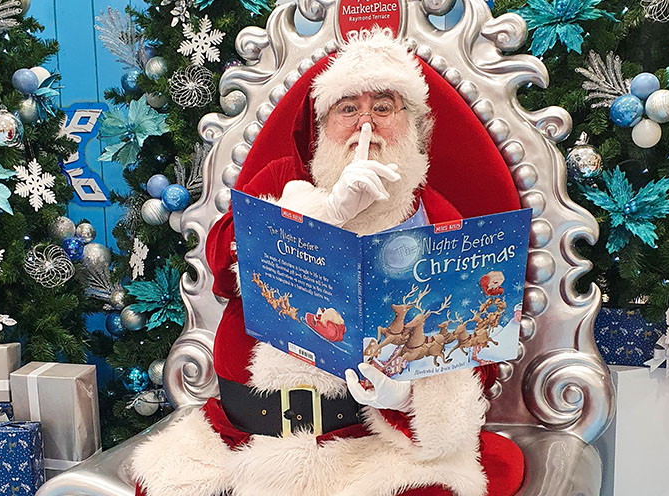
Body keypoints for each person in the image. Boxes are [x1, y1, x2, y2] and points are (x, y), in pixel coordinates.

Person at [131, 28, 524, 496]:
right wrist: (327, 212)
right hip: (243, 437)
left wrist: (405, 397)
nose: (365, 124)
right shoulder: (283, 180)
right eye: (348, 109)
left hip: (367, 445)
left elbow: (470, 355)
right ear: (321, 128)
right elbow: (222, 264)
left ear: (415, 127)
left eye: (384, 107)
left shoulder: (435, 218)